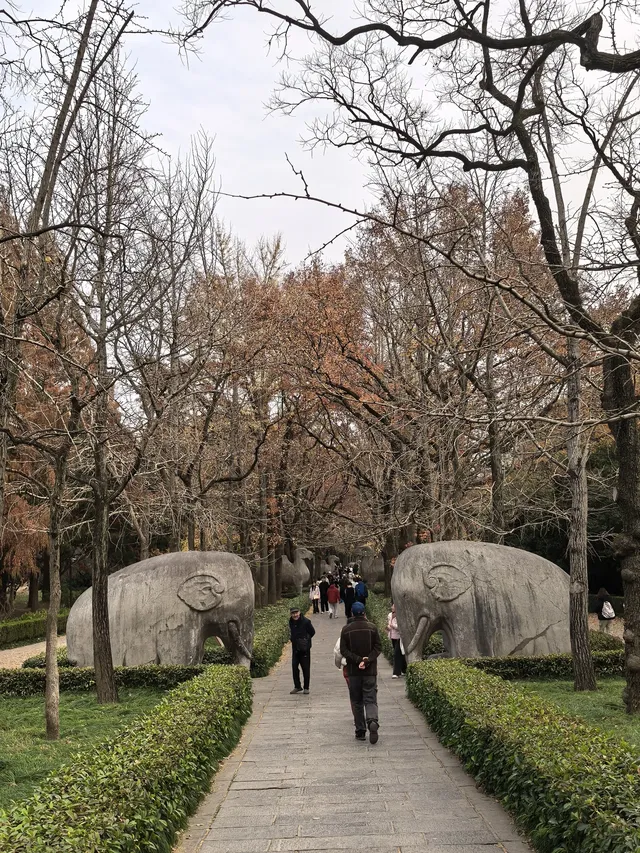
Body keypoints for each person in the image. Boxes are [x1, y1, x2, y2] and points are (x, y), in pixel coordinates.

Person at [340, 601, 382, 743]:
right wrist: (367, 660)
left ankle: (360, 731)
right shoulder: (372, 628)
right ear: (364, 613)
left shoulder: (346, 630)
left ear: (352, 613)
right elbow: (378, 647)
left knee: (357, 701)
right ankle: (372, 721)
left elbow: (343, 651)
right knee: (370, 698)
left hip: (354, 671)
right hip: (370, 671)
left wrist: (358, 660)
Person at [289, 606, 316, 694]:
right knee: (294, 667)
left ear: (299, 612)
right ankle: (297, 686)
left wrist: (305, 640)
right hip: (295, 648)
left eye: (296, 613)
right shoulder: (291, 621)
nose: (295, 615)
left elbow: (312, 632)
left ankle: (306, 687)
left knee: (305, 668)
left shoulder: (306, 622)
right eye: (293, 613)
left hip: (304, 649)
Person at [386, 603, 407, 678]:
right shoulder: (389, 615)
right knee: (400, 653)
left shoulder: (401, 615)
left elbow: (401, 627)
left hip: (399, 637)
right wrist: (388, 627)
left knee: (396, 654)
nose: (392, 607)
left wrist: (393, 626)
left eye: (394, 606)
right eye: (392, 606)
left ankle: (396, 672)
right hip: (392, 636)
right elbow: (388, 623)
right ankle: (404, 670)